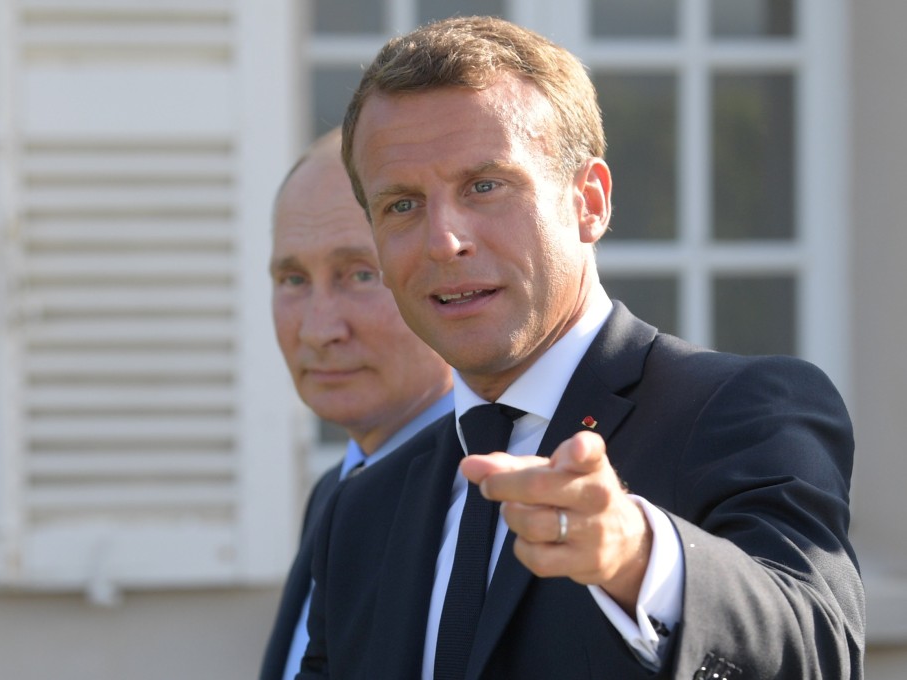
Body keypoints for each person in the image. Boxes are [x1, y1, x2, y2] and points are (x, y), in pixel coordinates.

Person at [298, 16, 865, 680]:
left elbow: (818, 648)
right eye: (402, 205)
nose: (443, 240)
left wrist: (639, 557)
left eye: (485, 186)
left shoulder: (743, 410)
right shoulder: (359, 512)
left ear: (589, 201)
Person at [259, 128, 454, 680]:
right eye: (293, 278)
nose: (320, 330)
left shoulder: (494, 504)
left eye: (361, 274)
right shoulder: (334, 493)